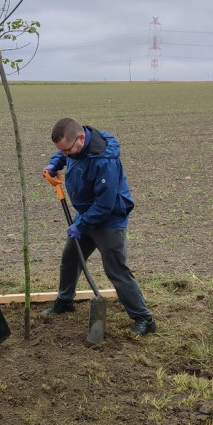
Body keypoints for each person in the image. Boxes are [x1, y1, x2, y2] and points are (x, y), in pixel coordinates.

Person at [42, 117, 156, 336]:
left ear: (81, 138)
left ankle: (144, 318)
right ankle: (65, 302)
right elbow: (65, 155)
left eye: (66, 151)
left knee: (116, 270)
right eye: (61, 151)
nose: (66, 155)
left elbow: (105, 205)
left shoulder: (104, 161)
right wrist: (55, 162)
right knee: (71, 258)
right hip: (86, 215)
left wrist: (81, 224)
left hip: (109, 220)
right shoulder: (76, 147)